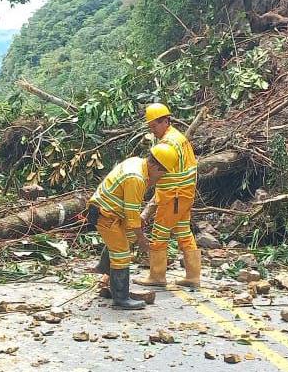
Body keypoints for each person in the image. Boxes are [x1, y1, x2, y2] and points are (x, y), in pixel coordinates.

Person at [86, 144, 177, 310]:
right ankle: (121, 299)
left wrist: (137, 232)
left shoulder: (138, 162)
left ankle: (105, 266)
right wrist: (143, 240)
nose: (161, 177)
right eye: (162, 172)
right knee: (121, 254)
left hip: (112, 211)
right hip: (106, 215)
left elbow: (131, 213)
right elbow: (132, 216)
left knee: (128, 237)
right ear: (154, 166)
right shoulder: (136, 177)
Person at [135, 103, 201, 288]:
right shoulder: (177, 137)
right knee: (184, 232)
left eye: (154, 126)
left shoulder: (169, 144)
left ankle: (157, 276)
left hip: (174, 195)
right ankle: (193, 276)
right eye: (150, 127)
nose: (153, 130)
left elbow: (158, 172)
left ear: (165, 121)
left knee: (159, 234)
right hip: (184, 195)